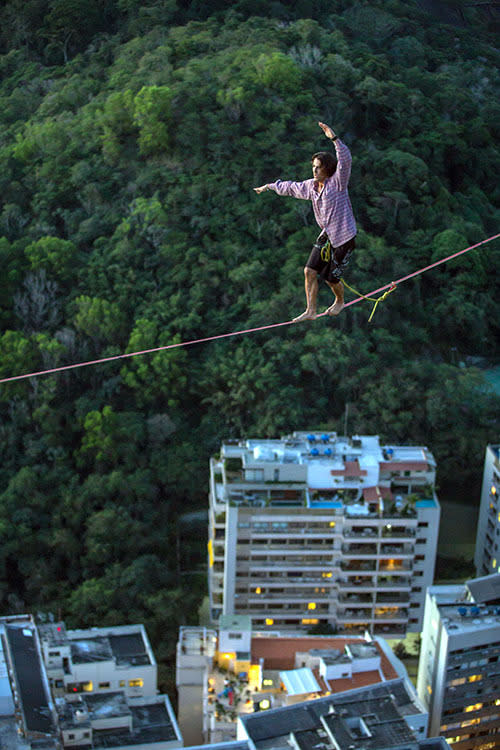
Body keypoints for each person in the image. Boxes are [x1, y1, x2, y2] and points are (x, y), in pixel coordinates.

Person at [254, 122, 357, 322]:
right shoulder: (311, 187)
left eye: (318, 168)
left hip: (344, 237)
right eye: (313, 167)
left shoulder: (338, 182)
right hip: (327, 234)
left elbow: (346, 160)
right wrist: (268, 186)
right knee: (309, 271)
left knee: (330, 278)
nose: (314, 171)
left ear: (327, 169)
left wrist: (334, 139)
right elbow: (291, 187)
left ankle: (340, 301)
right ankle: (310, 310)